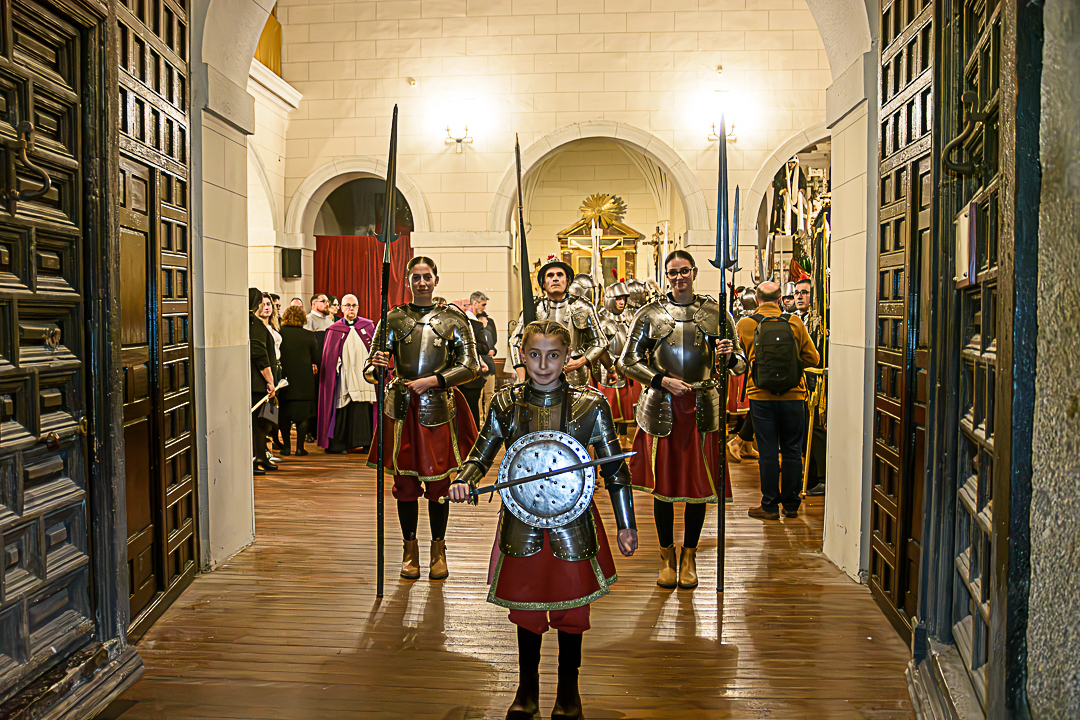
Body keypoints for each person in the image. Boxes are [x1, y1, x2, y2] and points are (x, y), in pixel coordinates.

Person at [449, 320, 637, 720]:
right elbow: (480, 454)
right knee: (528, 609)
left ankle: (569, 691)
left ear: (567, 358)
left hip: (575, 518)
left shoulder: (592, 404)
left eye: (553, 355)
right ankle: (527, 691)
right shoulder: (505, 402)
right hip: (522, 519)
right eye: (535, 354)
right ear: (522, 355)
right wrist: (464, 480)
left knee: (573, 612)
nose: (543, 364)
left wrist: (626, 523)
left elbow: (617, 470)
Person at [618, 250, 744, 591]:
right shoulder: (650, 314)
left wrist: (730, 355)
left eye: (684, 271)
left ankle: (689, 555)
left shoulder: (717, 312)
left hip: (703, 405)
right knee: (664, 489)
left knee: (697, 490)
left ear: (694, 272)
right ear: (666, 275)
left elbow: (743, 364)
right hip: (662, 406)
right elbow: (626, 361)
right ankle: (666, 556)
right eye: (672, 272)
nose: (678, 277)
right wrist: (662, 380)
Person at [366, 257, 482, 581]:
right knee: (404, 483)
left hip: (436, 406)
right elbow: (371, 368)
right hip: (400, 405)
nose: (421, 282)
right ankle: (409, 550)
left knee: (437, 484)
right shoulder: (392, 318)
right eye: (415, 277)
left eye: (426, 276)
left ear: (435, 279)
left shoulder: (454, 320)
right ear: (407, 280)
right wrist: (376, 366)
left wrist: (434, 380)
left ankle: (438, 550)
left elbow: (471, 366)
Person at [735, 281, 820, 520]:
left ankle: (769, 505)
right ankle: (791, 506)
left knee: (768, 452)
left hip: (760, 396)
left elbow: (741, 358)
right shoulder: (794, 322)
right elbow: (813, 358)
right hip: (794, 395)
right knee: (793, 451)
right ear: (782, 298)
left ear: (758, 300)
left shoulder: (745, 324)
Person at [509, 256, 604, 387]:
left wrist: (580, 361)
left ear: (567, 281)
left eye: (560, 275)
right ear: (543, 283)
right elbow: (515, 341)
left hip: (575, 376)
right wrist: (522, 374)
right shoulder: (533, 308)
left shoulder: (583, 306)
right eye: (550, 275)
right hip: (539, 376)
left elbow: (601, 342)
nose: (555, 278)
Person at [317, 294, 376, 454]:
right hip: (344, 376)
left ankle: (366, 443)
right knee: (344, 408)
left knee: (364, 409)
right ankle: (340, 444)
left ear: (358, 308)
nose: (350, 309)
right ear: (341, 308)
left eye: (354, 305)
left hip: (365, 378)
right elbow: (329, 358)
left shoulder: (369, 326)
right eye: (347, 305)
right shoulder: (334, 329)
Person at [793, 278, 827, 496]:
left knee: (816, 428)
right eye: (797, 292)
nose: (799, 296)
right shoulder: (795, 320)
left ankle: (823, 476)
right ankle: (811, 475)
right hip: (802, 377)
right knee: (805, 428)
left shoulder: (819, 321)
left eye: (804, 293)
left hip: (817, 377)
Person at [278, 306, 320, 456]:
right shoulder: (309, 336)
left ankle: (286, 447)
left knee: (284, 416)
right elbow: (317, 359)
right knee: (303, 417)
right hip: (304, 382)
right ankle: (300, 448)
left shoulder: (279, 334)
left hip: (285, 381)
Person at [249, 289, 278, 476]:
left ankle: (261, 456)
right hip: (258, 383)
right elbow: (258, 353)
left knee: (264, 424)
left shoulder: (253, 322)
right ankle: (255, 459)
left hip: (259, 383)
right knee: (258, 425)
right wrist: (270, 380)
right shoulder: (253, 323)